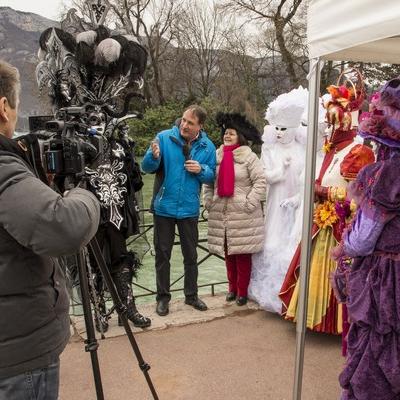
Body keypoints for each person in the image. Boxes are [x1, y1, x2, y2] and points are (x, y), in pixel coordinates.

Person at [0, 60, 100, 399]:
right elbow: (66, 227)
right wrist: (83, 191)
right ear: (3, 107)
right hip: (18, 355)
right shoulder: (4, 168)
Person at [279, 73, 375, 335]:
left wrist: (323, 191)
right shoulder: (332, 152)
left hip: (341, 229)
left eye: (334, 123)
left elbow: (361, 199)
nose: (330, 129)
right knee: (315, 269)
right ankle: (315, 318)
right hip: (322, 223)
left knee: (339, 273)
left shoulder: (359, 152)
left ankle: (339, 324)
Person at [333, 78, 400, 399]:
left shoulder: (386, 173)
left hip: (388, 281)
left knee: (378, 360)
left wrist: (343, 247)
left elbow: (362, 240)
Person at [141, 105, 216, 316]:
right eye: (183, 120)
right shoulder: (164, 138)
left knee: (191, 255)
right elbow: (146, 168)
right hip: (164, 207)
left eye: (190, 122)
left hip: (189, 209)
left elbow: (212, 176)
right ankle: (162, 299)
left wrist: (202, 170)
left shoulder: (207, 146)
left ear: (199, 126)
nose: (184, 124)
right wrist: (153, 157)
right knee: (162, 256)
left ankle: (191, 296)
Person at [248, 87, 308, 313]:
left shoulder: (304, 149)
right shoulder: (270, 149)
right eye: (277, 128)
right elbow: (264, 176)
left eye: (284, 128)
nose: (280, 132)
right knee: (272, 242)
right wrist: (281, 172)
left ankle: (294, 297)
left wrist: (299, 197)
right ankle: (271, 294)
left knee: (293, 247)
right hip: (276, 203)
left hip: (298, 204)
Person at [203, 112, 265, 306]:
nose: (227, 136)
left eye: (231, 133)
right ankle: (231, 289)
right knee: (228, 253)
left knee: (242, 255)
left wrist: (250, 202)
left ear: (240, 136)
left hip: (244, 213)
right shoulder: (216, 155)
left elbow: (261, 181)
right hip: (221, 213)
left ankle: (242, 292)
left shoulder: (249, 157)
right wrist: (208, 202)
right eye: (225, 133)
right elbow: (208, 182)